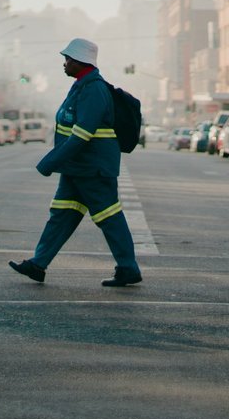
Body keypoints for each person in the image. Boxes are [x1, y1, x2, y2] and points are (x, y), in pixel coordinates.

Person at [9, 37, 142, 287]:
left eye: (68, 59)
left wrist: (49, 162)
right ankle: (38, 264)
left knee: (108, 216)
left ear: (80, 62)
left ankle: (128, 268)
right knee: (61, 215)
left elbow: (83, 133)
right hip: (77, 168)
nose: (64, 63)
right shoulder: (81, 85)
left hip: (93, 168)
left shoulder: (93, 89)